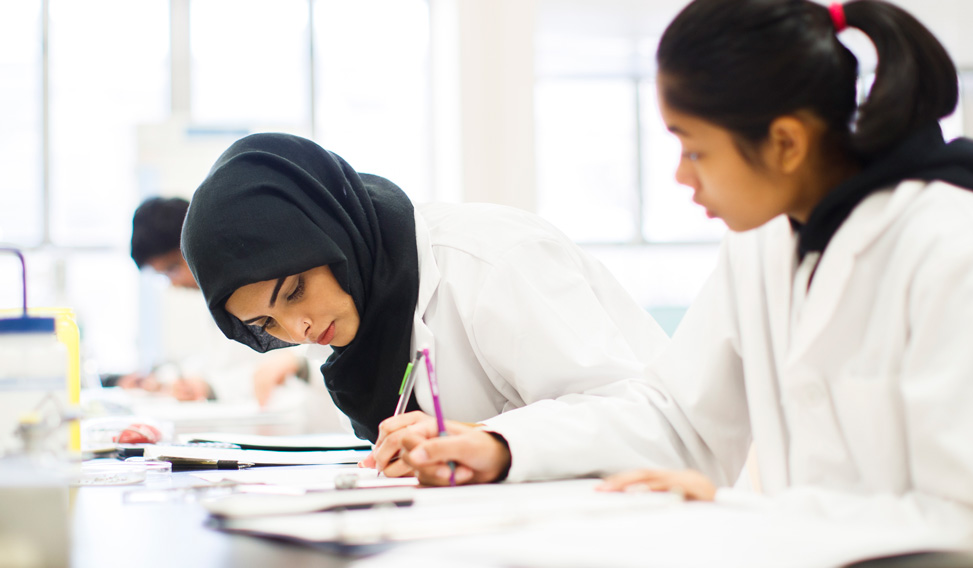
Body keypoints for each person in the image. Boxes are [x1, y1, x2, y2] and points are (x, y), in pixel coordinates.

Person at [396, 0, 973, 551]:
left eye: (694, 148)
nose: (679, 176)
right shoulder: (765, 241)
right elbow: (678, 419)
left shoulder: (951, 243)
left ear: (785, 143)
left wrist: (742, 514)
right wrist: (505, 446)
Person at [179, 132, 673, 478]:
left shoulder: (490, 259)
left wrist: (492, 443)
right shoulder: (363, 316)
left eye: (293, 291)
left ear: (331, 233)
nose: (298, 327)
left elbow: (645, 417)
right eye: (265, 323)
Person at [129, 196, 314, 406]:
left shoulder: (254, 286)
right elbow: (216, 361)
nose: (174, 283)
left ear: (195, 244)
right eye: (163, 276)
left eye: (172, 268)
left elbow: (278, 365)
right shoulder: (218, 300)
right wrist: (165, 379)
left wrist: (211, 386)